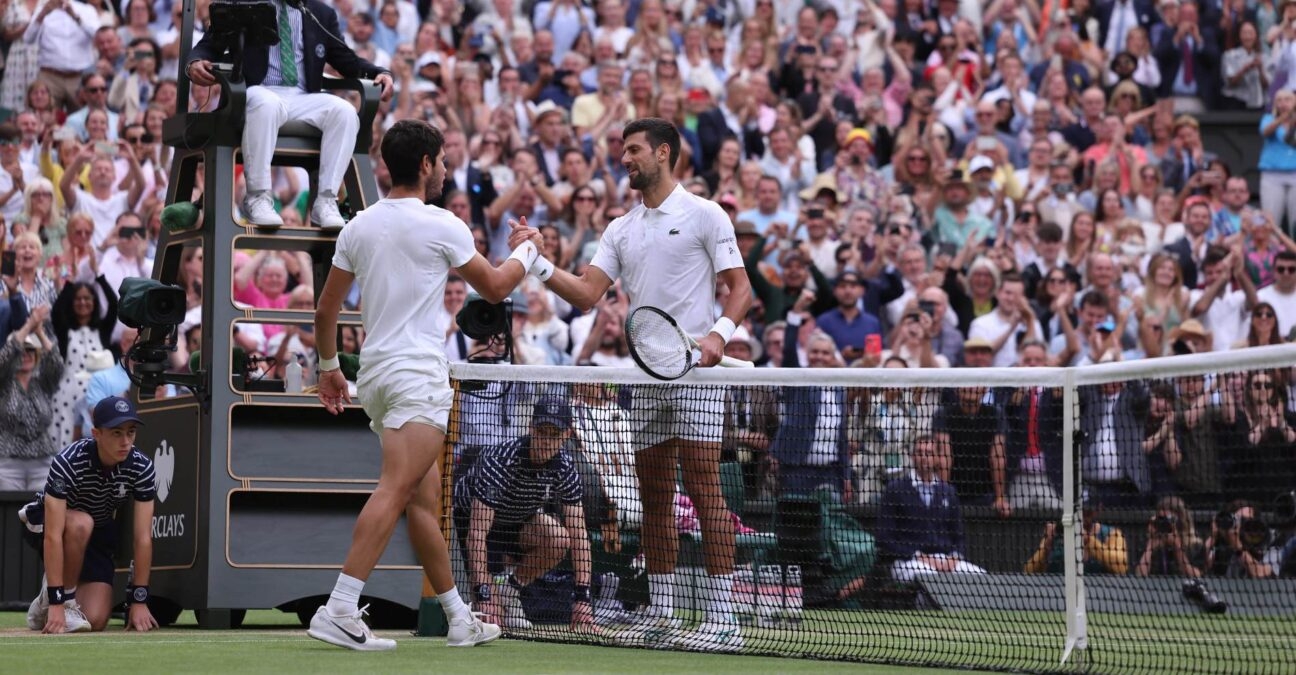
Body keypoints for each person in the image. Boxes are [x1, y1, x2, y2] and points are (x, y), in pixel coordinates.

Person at [309, 120, 546, 651]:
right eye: (441, 161)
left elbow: (326, 309)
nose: (444, 169)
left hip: (377, 378)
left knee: (422, 500)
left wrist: (329, 368)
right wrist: (529, 250)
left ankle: (459, 616)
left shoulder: (358, 226)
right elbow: (497, 285)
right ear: (424, 164)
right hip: (416, 376)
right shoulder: (444, 223)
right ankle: (340, 606)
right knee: (397, 489)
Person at [528, 117, 752, 652]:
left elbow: (738, 289)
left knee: (703, 487)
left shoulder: (705, 214)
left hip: (697, 374)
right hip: (648, 378)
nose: (624, 159)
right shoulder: (620, 229)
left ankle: (724, 617)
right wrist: (537, 262)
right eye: (621, 151)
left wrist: (719, 336)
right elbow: (585, 294)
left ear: (664, 153)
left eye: (634, 150)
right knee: (653, 495)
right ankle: (664, 611)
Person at [186, 0, 395, 229]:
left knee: (344, 111)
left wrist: (379, 73)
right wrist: (194, 62)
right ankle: (258, 197)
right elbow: (209, 44)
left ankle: (325, 201)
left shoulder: (320, 13)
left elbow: (346, 59)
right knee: (267, 104)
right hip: (258, 91)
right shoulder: (245, 4)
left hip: (303, 96)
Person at [455, 396, 596, 633]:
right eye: (542, 431)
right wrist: (484, 594)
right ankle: (491, 597)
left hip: (519, 519)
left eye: (555, 434)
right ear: (531, 428)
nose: (546, 441)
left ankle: (509, 592)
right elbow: (477, 534)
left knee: (561, 538)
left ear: (567, 435)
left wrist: (583, 599)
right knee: (492, 623)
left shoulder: (565, 468)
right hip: (473, 521)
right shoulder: (499, 460)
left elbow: (579, 534)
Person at [19, 395, 159, 633]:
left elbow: (143, 538)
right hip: (46, 523)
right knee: (81, 523)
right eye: (117, 433)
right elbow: (52, 536)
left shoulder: (142, 467)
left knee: (95, 620)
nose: (126, 441)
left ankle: (44, 602)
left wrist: (139, 600)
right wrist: (58, 604)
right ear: (96, 434)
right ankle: (61, 600)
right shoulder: (68, 461)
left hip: (97, 532)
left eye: (131, 432)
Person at [876, 435, 986, 583]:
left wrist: (955, 557)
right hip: (907, 561)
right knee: (930, 580)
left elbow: (959, 537)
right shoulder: (895, 490)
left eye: (928, 453)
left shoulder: (948, 491)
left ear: (936, 458)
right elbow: (884, 538)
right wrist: (918, 556)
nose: (924, 458)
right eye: (919, 453)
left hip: (944, 560)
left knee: (982, 578)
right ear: (912, 456)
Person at [0, 305, 62, 491]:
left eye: (31, 349)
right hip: (8, 463)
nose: (25, 354)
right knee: (8, 515)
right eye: (21, 350)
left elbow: (56, 362)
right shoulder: (3, 382)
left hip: (42, 462)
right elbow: (4, 358)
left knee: (41, 514)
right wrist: (28, 325)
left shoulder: (44, 383)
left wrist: (39, 332)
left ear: (37, 354)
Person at [1135, 495, 1205, 577]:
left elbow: (1196, 575)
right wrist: (1150, 547)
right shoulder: (1148, 542)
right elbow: (1140, 575)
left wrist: (1177, 547)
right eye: (1162, 519)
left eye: (1169, 520)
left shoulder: (1195, 545)